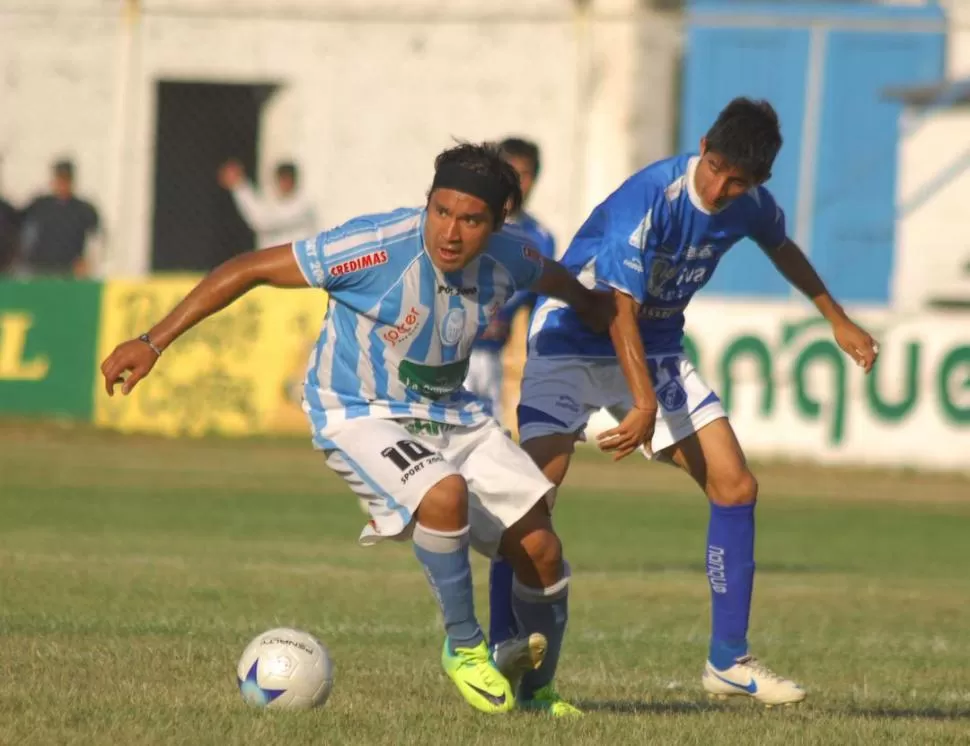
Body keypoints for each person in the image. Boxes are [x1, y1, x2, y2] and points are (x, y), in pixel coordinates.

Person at [100, 142, 613, 717]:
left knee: (542, 549)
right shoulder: (372, 247)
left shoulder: (510, 256)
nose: (450, 232)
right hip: (357, 410)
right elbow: (249, 269)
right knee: (445, 494)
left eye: (470, 220)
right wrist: (152, 341)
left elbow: (552, 277)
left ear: (495, 224)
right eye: (440, 212)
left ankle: (538, 695)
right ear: (427, 204)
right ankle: (465, 646)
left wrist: (595, 307)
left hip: (452, 412)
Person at [492, 97, 880, 706]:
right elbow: (618, 307)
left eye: (740, 181)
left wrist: (835, 317)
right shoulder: (649, 197)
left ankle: (729, 661)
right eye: (717, 168)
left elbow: (780, 245)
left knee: (736, 486)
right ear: (703, 145)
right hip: (569, 340)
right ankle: (499, 646)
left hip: (657, 353)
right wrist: (642, 403)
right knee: (527, 497)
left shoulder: (749, 204)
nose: (723, 188)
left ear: (759, 182)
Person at [465, 138, 556, 427]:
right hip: (450, 356)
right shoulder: (468, 221)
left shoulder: (540, 239)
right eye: (509, 171)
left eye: (525, 174)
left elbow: (538, 307)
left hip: (493, 359)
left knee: (489, 446)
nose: (516, 182)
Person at [19, 159, 100, 277]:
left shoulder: (83, 209)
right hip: (39, 270)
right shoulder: (40, 205)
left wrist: (87, 263)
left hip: (70, 271)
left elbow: (96, 238)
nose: (62, 184)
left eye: (66, 180)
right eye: (59, 179)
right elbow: (19, 229)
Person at [218, 159, 316, 248]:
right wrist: (239, 186)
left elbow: (263, 221)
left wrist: (239, 185)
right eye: (281, 180)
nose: (283, 184)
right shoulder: (276, 205)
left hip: (295, 263)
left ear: (294, 181)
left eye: (287, 180)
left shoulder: (302, 206)